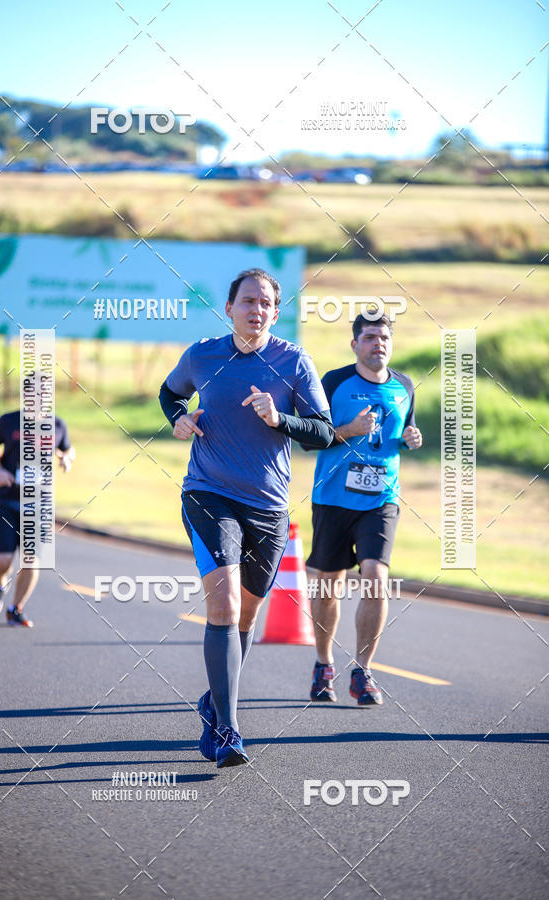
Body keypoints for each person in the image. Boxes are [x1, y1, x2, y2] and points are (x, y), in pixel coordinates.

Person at [159, 268, 334, 767]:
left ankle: (215, 702)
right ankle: (229, 729)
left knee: (247, 615)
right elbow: (170, 393)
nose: (256, 309)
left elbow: (322, 433)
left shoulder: (294, 362)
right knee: (225, 603)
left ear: (276, 313)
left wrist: (280, 418)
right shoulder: (202, 355)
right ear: (229, 308)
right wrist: (179, 418)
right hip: (208, 493)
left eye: (265, 304)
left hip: (269, 506)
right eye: (248, 301)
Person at [304, 313, 422, 706]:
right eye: (370, 337)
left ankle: (363, 671)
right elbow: (310, 438)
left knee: (375, 577)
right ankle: (323, 664)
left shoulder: (405, 386)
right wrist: (349, 431)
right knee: (328, 585)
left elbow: (400, 433)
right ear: (354, 344)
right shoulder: (334, 383)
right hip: (333, 499)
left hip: (381, 500)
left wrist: (410, 439)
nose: (378, 344)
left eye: (384, 337)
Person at [0, 407, 75, 627]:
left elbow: (68, 450)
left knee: (31, 561)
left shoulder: (57, 425)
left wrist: (67, 459)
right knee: (3, 560)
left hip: (39, 505)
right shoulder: (8, 420)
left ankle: (16, 609)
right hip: (7, 500)